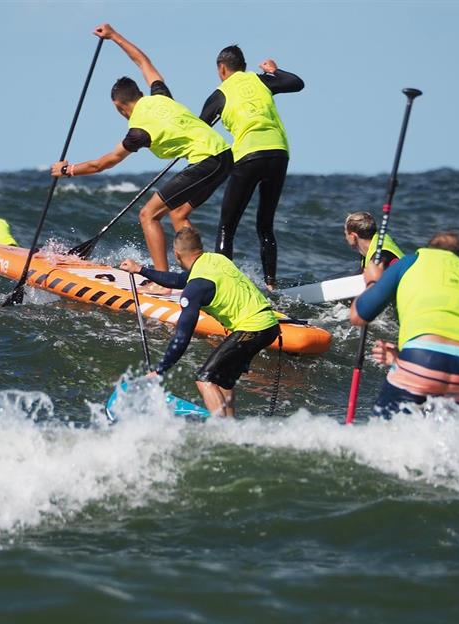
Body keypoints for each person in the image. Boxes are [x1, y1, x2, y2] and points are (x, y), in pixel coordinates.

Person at [51, 23, 233, 276]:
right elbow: (142, 62)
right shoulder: (160, 96)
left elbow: (103, 164)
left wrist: (67, 170)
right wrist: (114, 35)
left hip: (206, 161)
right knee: (178, 213)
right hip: (225, 155)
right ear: (139, 93)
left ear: (119, 106)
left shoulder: (138, 131)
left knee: (148, 215)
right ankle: (202, 274)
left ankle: (162, 279)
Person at [120, 226, 279, 418]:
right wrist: (140, 270)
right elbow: (179, 280)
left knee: (204, 379)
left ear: (176, 254)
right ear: (200, 248)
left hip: (252, 329)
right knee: (223, 381)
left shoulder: (195, 288)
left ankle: (220, 428)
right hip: (270, 325)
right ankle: (230, 424)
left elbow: (182, 336)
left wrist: (160, 370)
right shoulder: (216, 260)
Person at [350, 232, 459, 420]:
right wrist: (401, 360)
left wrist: (373, 281)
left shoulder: (410, 262)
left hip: (421, 358)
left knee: (387, 430)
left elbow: (358, 315)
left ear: (428, 250)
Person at [198, 46, 304, 290]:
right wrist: (274, 71)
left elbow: (200, 128)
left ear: (222, 68)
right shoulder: (261, 80)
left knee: (227, 226)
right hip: (278, 153)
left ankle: (225, 286)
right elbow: (296, 83)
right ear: (244, 67)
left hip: (249, 156)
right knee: (265, 225)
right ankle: (271, 285)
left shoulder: (219, 94)